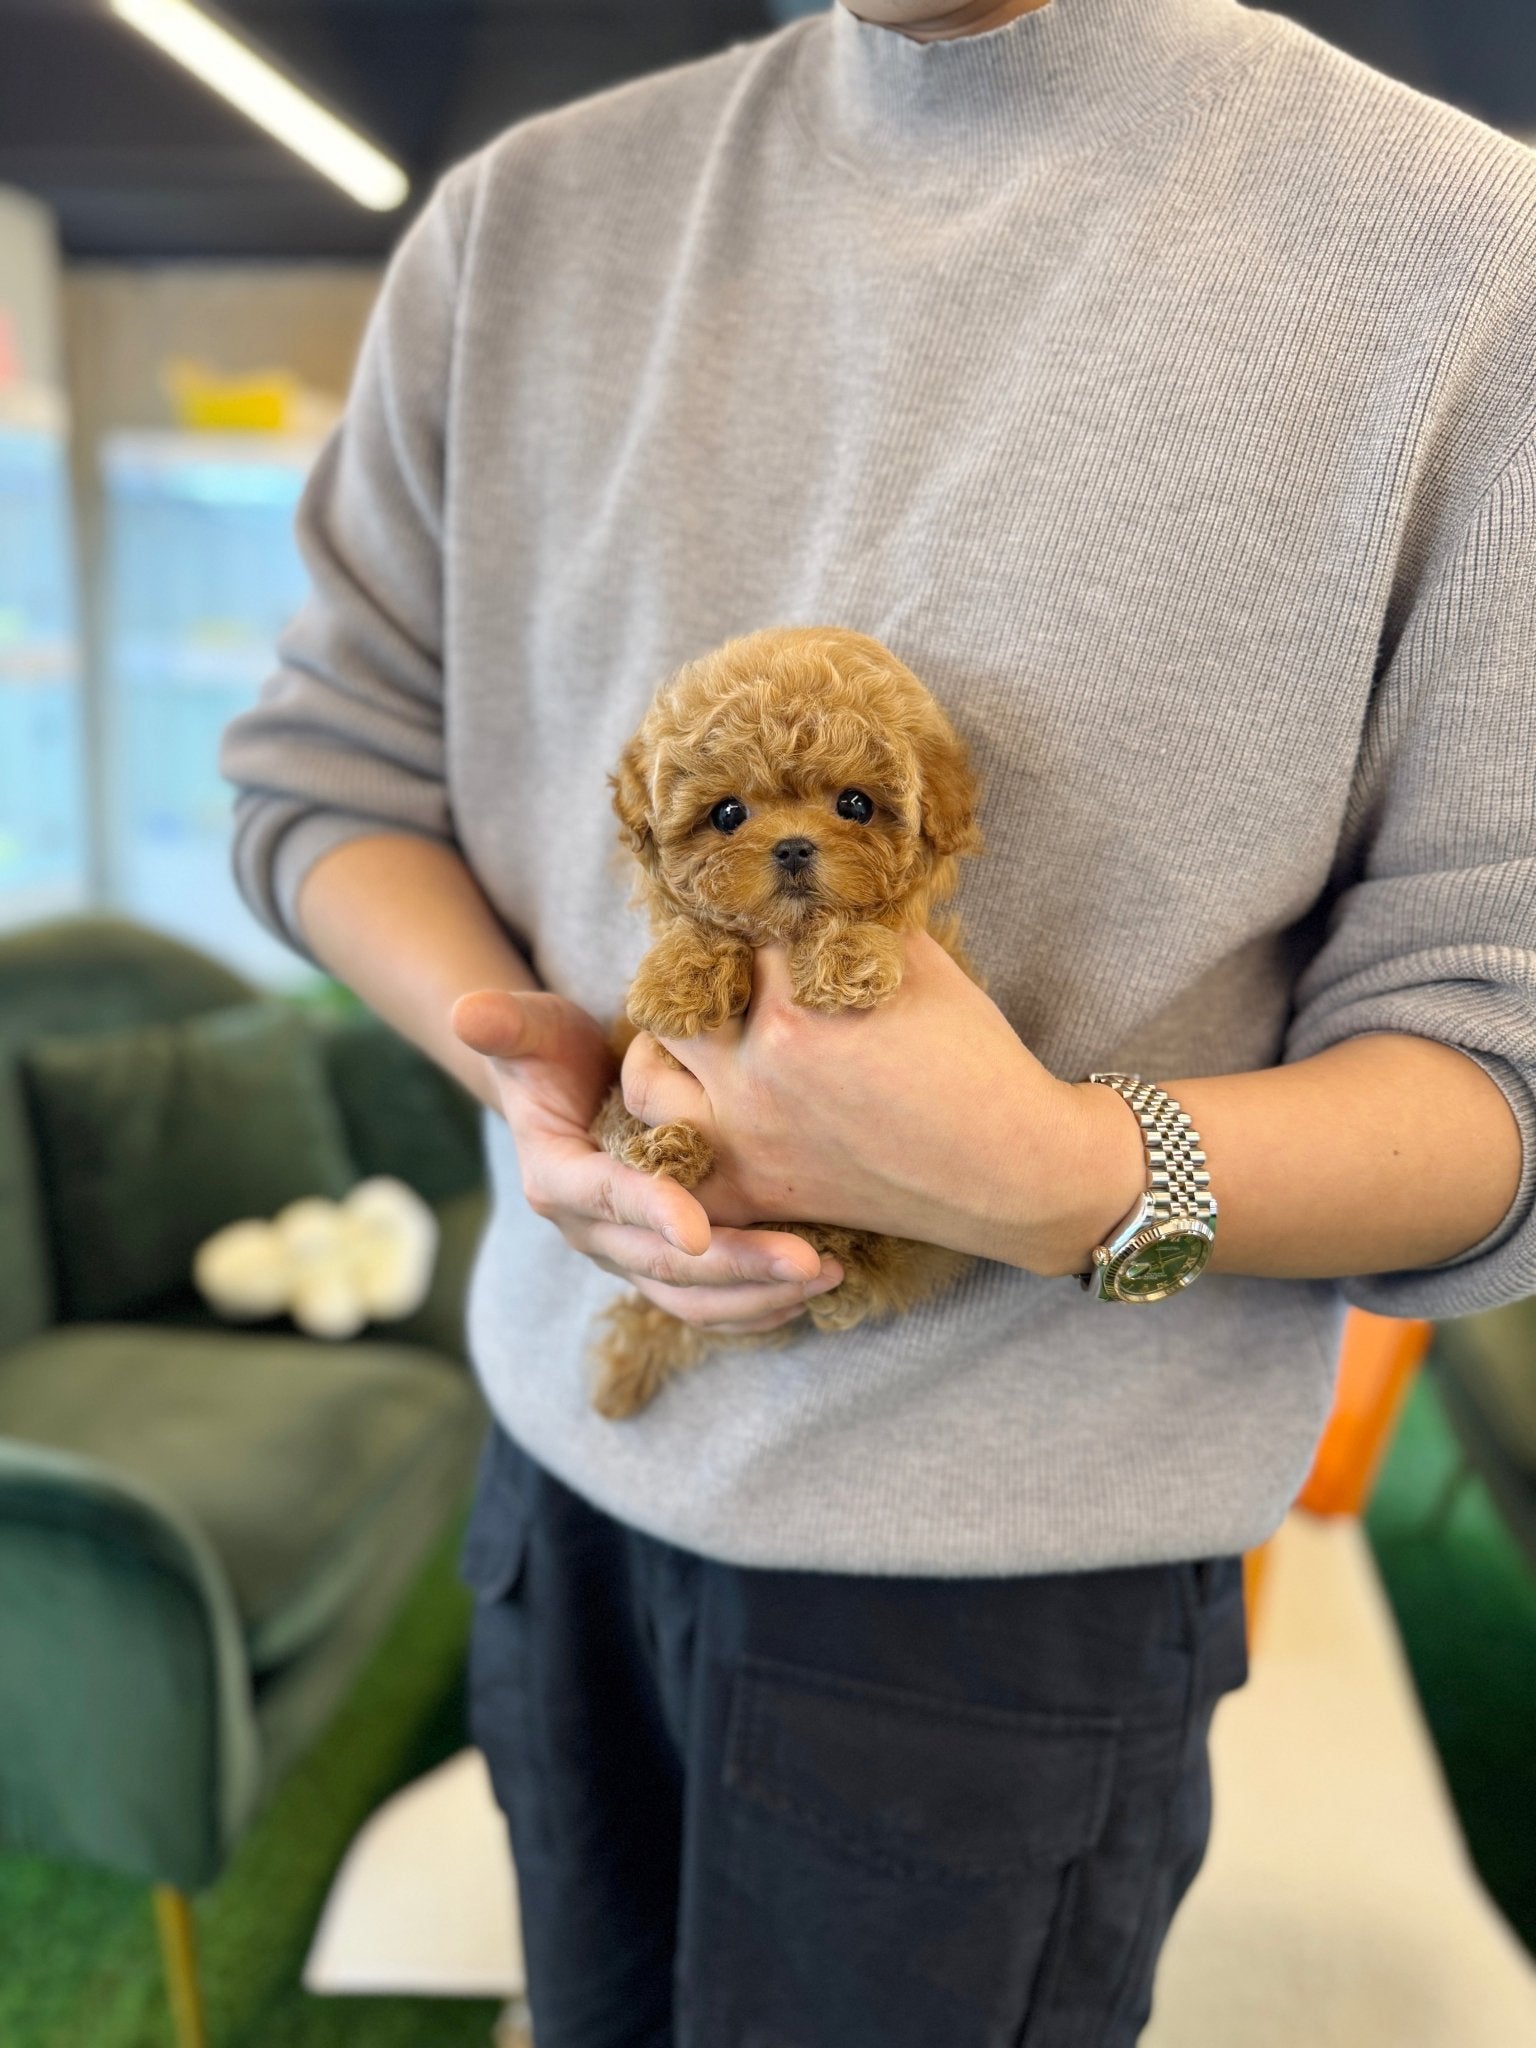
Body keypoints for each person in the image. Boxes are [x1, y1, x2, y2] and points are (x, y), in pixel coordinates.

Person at [219, 0, 1536, 2039]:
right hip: (562, 1468)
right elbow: (326, 774)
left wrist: (1065, 1176)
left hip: (1007, 1602)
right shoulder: (518, 230)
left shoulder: (1469, 266)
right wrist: (537, 1066)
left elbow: (1500, 1069)